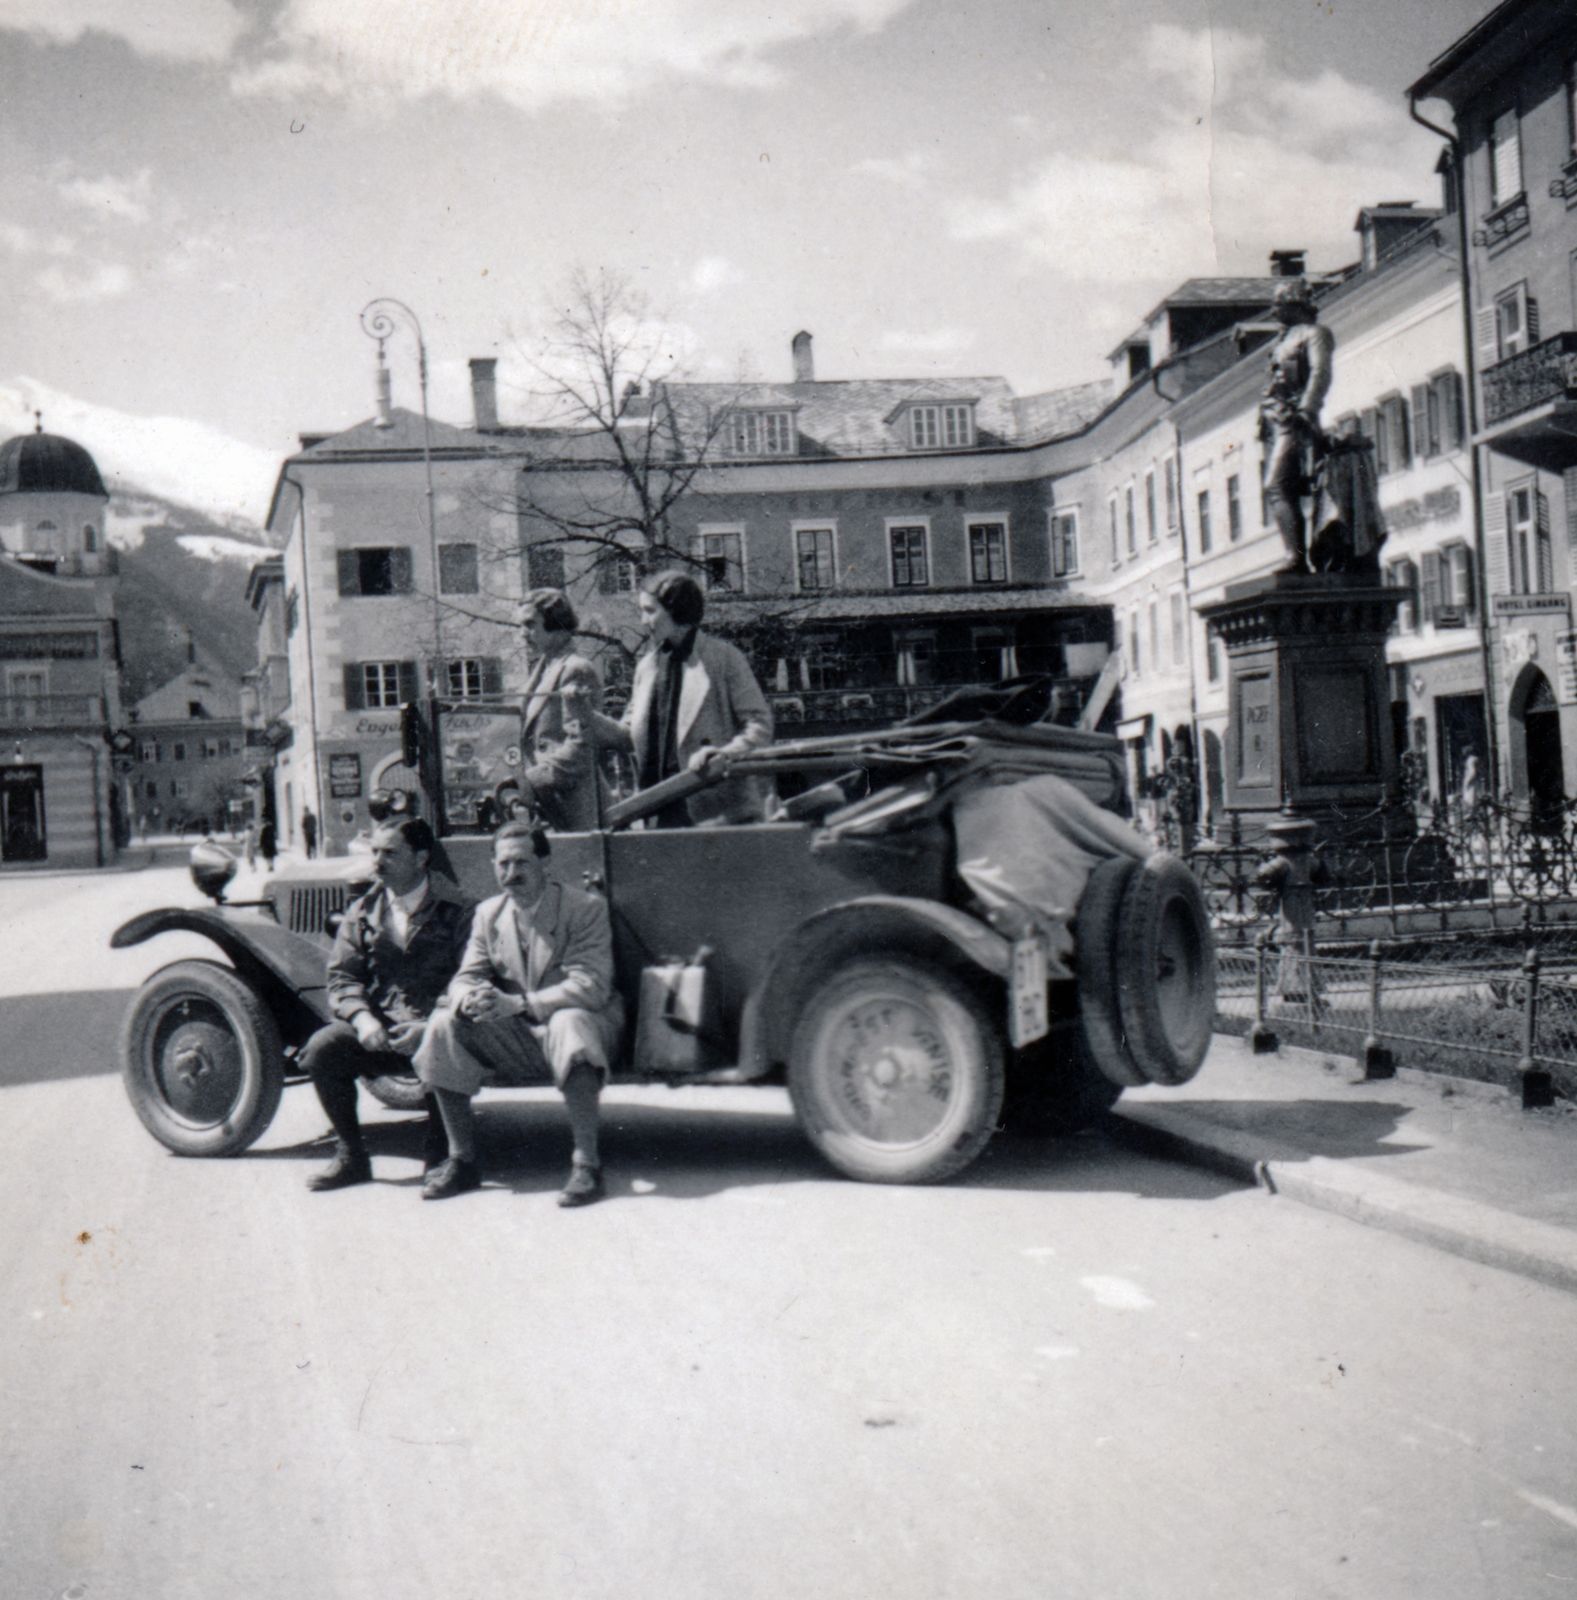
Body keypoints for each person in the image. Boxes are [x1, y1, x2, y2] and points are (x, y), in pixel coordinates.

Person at [413, 821, 623, 1205]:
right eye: (503, 864)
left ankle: (586, 1165)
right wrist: (469, 1000)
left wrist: (520, 1004)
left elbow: (591, 986)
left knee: (568, 1021)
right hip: (523, 1034)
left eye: (522, 863)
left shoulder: (583, 908)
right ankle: (462, 1160)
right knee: (444, 1023)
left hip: (584, 1024)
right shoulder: (488, 914)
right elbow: (466, 977)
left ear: (545, 862)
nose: (511, 875)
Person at [301, 817, 473, 1191]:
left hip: (439, 1033)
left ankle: (443, 1154)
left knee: (440, 1041)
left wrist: (429, 1026)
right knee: (323, 1049)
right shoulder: (363, 910)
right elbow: (343, 976)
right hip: (382, 1032)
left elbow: (471, 977)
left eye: (390, 853)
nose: (377, 862)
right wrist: (362, 1019)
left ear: (422, 857)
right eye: (375, 852)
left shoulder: (458, 908)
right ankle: (351, 1157)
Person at [574, 571, 773, 827]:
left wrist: (724, 754)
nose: (643, 621)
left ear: (677, 610)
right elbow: (628, 736)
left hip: (716, 811)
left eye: (650, 611)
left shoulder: (723, 658)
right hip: (656, 808)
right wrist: (584, 713)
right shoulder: (647, 667)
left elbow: (760, 724)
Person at [1260, 277, 1335, 574]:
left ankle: (1295, 557)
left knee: (1276, 486)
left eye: (1280, 304)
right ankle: (1296, 557)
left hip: (1296, 420)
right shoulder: (1282, 341)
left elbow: (1320, 373)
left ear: (1294, 304)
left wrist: (1306, 409)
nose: (1275, 310)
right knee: (1281, 489)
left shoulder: (1315, 333)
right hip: (1276, 421)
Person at [516, 588, 605, 832]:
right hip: (549, 807)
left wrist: (532, 779)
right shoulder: (541, 670)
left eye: (530, 625)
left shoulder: (576, 669)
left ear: (555, 623)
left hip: (575, 808)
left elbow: (582, 749)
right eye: (521, 626)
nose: (523, 634)